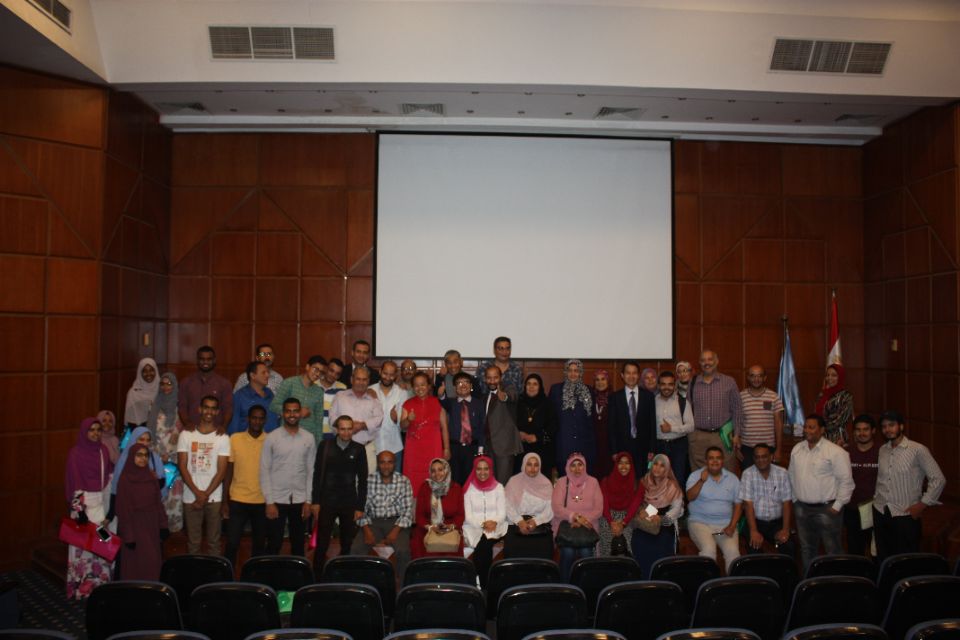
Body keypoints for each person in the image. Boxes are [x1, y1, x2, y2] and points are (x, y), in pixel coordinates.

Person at [872, 410, 946, 560]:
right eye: (884, 426)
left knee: (906, 561)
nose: (887, 429)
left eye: (891, 425)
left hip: (905, 515)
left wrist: (922, 504)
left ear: (901, 426)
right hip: (880, 511)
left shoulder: (918, 449)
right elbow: (881, 480)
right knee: (883, 559)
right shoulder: (882, 450)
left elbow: (938, 479)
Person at [788, 414, 854, 569]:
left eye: (811, 427)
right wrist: (795, 498)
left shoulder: (835, 452)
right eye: (805, 427)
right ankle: (810, 580)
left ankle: (835, 581)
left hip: (827, 509)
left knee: (833, 551)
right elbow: (791, 475)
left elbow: (846, 481)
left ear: (822, 430)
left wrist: (837, 505)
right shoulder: (797, 449)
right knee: (807, 549)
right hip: (802, 508)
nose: (807, 430)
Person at [311, 415, 368, 574]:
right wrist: (315, 501)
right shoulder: (325, 446)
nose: (346, 432)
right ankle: (316, 576)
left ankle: (343, 575)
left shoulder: (359, 449)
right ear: (336, 429)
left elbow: (363, 480)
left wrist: (360, 506)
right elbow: (317, 475)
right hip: (326, 501)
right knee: (322, 543)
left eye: (349, 429)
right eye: (343, 429)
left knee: (347, 543)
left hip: (349, 502)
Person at [64, 417, 114, 600]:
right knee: (82, 549)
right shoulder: (75, 453)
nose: (95, 433)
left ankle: (100, 586)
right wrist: (80, 511)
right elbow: (74, 482)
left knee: (103, 544)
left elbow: (108, 478)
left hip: (100, 506)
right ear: (84, 432)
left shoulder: (103, 450)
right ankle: (81, 589)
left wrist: (109, 511)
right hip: (82, 508)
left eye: (98, 430)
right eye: (91, 430)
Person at [260, 398, 316, 557]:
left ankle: (297, 573)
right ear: (283, 413)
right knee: (274, 544)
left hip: (300, 499)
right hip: (277, 499)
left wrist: (308, 501)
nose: (292, 415)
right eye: (288, 411)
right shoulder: (272, 438)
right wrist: (269, 502)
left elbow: (311, 470)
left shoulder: (309, 438)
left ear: (300, 413)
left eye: (295, 411)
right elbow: (264, 470)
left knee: (298, 545)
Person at [177, 395, 231, 555]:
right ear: (200, 409)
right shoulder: (186, 435)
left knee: (214, 543)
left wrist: (204, 495)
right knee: (193, 543)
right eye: (206, 407)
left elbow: (222, 471)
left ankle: (214, 572)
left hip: (214, 497)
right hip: (190, 496)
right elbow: (182, 466)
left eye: (213, 408)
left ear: (217, 412)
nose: (209, 411)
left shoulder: (223, 438)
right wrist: (197, 493)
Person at [223, 405, 268, 568]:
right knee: (232, 543)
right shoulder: (235, 439)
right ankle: (228, 577)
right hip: (237, 499)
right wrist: (225, 501)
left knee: (259, 546)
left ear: (265, 420)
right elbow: (228, 471)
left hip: (262, 501)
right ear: (248, 419)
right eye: (254, 418)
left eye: (260, 418)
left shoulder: (270, 441)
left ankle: (255, 578)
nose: (257, 421)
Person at [116, 443, 168, 581]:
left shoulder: (151, 476)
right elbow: (123, 510)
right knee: (136, 564)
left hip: (152, 525)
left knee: (153, 562)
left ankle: (152, 591)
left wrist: (163, 525)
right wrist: (129, 536)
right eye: (139, 455)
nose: (143, 458)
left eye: (145, 455)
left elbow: (158, 503)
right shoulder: (125, 479)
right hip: (135, 526)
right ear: (131, 457)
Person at [686, 446, 742, 571]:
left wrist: (732, 526)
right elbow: (689, 497)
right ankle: (708, 582)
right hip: (700, 523)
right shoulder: (695, 476)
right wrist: (701, 481)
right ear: (706, 461)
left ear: (723, 460)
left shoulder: (733, 479)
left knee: (733, 553)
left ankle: (732, 583)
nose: (715, 461)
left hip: (725, 525)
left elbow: (739, 505)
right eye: (711, 458)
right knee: (708, 550)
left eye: (718, 458)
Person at [357, 451, 414, 575]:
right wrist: (366, 531)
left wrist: (395, 531)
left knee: (403, 551)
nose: (386, 466)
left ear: (395, 464)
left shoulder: (403, 481)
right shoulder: (369, 480)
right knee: (356, 549)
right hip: (373, 522)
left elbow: (407, 511)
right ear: (378, 464)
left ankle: (402, 583)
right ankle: (361, 582)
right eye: (382, 462)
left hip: (397, 522)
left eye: (390, 462)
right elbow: (361, 509)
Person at [688, 350, 742, 473]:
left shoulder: (729, 382)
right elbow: (687, 409)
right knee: (699, 475)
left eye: (710, 359)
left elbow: (737, 409)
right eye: (703, 360)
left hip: (723, 437)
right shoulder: (693, 383)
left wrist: (737, 434)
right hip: (698, 438)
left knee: (726, 473)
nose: (706, 363)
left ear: (717, 361)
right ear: (699, 363)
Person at [631, 453, 684, 576]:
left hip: (665, 524)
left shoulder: (672, 485)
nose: (657, 468)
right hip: (646, 523)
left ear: (667, 469)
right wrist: (645, 512)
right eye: (655, 464)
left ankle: (661, 582)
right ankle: (644, 581)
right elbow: (638, 503)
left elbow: (677, 510)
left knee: (662, 546)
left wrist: (660, 519)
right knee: (639, 542)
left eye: (662, 466)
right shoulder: (644, 481)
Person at [738, 443, 795, 557]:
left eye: (764, 456)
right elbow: (748, 505)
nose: (761, 460)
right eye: (757, 457)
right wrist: (753, 531)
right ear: (753, 458)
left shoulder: (782, 473)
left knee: (789, 545)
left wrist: (785, 529)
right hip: (755, 522)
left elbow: (787, 503)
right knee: (754, 547)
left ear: (771, 457)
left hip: (776, 523)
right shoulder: (747, 474)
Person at [552, 452, 602, 580]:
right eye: (573, 465)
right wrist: (574, 517)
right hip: (566, 528)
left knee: (586, 552)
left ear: (585, 466)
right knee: (568, 552)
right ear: (568, 467)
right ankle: (565, 587)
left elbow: (598, 509)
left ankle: (585, 586)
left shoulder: (593, 482)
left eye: (580, 464)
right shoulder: (561, 482)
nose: (577, 468)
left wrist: (582, 520)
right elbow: (556, 507)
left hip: (588, 527)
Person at [401, 371, 451, 490]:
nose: (420, 388)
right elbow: (402, 426)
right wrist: (408, 419)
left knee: (436, 478)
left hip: (433, 448)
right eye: (416, 385)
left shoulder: (437, 403)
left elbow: (444, 428)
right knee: (413, 480)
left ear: (429, 386)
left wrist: (447, 448)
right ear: (412, 387)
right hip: (414, 450)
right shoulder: (408, 404)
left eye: (423, 384)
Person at [462, 456, 507, 588]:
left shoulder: (499, 487)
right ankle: (485, 584)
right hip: (474, 527)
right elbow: (468, 516)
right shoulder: (469, 489)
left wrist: (494, 522)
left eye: (486, 469)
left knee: (484, 543)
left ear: (490, 470)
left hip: (496, 526)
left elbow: (502, 513)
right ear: (474, 470)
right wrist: (483, 524)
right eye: (479, 469)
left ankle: (479, 582)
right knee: (484, 543)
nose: (482, 472)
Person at [147, 372, 184, 532]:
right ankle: (157, 529)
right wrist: (157, 455)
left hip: (174, 460)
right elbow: (149, 433)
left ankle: (173, 529)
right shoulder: (153, 406)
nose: (166, 387)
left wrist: (168, 454)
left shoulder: (180, 408)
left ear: (175, 386)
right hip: (156, 459)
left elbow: (180, 433)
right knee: (157, 495)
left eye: (169, 384)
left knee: (173, 496)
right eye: (163, 384)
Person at [331, 366, 384, 472]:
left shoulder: (373, 399)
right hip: (342, 448)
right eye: (358, 379)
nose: (361, 382)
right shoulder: (340, 396)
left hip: (367, 449)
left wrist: (362, 425)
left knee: (366, 480)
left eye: (364, 379)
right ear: (352, 379)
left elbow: (379, 419)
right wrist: (348, 427)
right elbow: (332, 418)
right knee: (343, 479)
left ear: (368, 381)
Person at [609, 361, 657, 478]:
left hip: (643, 448)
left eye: (634, 373)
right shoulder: (614, 397)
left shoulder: (648, 396)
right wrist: (614, 451)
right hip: (622, 448)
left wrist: (652, 449)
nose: (631, 376)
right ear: (622, 375)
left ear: (639, 375)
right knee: (624, 479)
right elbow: (611, 427)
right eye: (628, 373)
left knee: (642, 479)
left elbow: (652, 424)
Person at [503, 452, 555, 559]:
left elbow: (551, 508)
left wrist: (536, 521)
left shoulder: (546, 484)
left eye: (536, 465)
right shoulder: (514, 481)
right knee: (512, 550)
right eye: (529, 464)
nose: (532, 468)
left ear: (539, 467)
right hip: (516, 525)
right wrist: (519, 520)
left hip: (540, 526)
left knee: (544, 551)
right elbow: (506, 505)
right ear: (524, 465)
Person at [412, 457, 465, 558]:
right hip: (428, 528)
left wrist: (450, 527)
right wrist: (430, 527)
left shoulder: (456, 488)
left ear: (446, 470)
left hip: (450, 528)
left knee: (450, 553)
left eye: (440, 470)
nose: (437, 474)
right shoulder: (425, 487)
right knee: (421, 546)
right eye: (433, 471)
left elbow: (460, 515)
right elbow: (419, 515)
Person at [551, 360, 597, 475]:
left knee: (582, 478)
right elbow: (551, 417)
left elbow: (591, 420)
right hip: (563, 443)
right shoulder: (556, 390)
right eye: (570, 370)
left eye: (576, 371)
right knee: (564, 478)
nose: (573, 374)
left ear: (580, 373)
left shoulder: (589, 391)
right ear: (565, 372)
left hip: (584, 444)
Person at [482, 365, 523, 485]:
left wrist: (504, 397)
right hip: (488, 447)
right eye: (489, 378)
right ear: (485, 379)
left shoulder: (508, 389)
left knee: (503, 485)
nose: (492, 381)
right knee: (490, 484)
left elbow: (512, 396)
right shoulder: (485, 396)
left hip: (504, 448)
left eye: (495, 377)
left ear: (501, 378)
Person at [442, 371, 485, 485]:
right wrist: (441, 394)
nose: (463, 385)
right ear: (454, 388)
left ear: (471, 386)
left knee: (471, 479)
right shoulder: (451, 403)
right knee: (455, 479)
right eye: (459, 383)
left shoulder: (479, 404)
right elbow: (442, 401)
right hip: (455, 447)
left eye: (466, 382)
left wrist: (480, 449)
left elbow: (482, 427)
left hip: (472, 447)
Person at [845, 414, 879, 557]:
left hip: (876, 509)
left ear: (873, 431)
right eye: (858, 430)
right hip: (852, 508)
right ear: (854, 432)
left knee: (876, 551)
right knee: (855, 551)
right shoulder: (846, 452)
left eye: (866, 429)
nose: (862, 433)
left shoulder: (882, 452)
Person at [271, 355, 326, 444]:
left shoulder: (319, 392)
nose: (317, 374)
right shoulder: (289, 383)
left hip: (309, 439)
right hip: (287, 436)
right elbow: (274, 406)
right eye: (315, 369)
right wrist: (297, 412)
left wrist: (319, 444)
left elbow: (319, 421)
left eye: (321, 372)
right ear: (307, 367)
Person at [739, 365, 785, 468]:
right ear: (748, 377)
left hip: (768, 448)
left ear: (765, 378)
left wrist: (779, 449)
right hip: (747, 448)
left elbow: (778, 423)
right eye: (753, 376)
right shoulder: (740, 397)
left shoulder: (773, 396)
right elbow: (736, 422)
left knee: (768, 476)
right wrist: (737, 449)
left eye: (759, 376)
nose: (756, 379)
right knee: (748, 476)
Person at [654, 370, 694, 488]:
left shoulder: (683, 402)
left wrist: (672, 428)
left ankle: (678, 500)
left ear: (674, 385)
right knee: (658, 479)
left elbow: (691, 426)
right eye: (663, 384)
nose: (666, 387)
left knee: (678, 479)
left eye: (670, 384)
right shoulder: (652, 402)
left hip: (678, 446)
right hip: (658, 446)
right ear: (658, 385)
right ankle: (659, 501)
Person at [179, 346, 233, 431]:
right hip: (192, 431)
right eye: (202, 359)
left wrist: (224, 426)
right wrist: (187, 423)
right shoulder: (186, 382)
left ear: (214, 361)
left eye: (209, 359)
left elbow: (228, 409)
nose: (205, 362)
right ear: (197, 360)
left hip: (215, 432)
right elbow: (182, 407)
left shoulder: (224, 384)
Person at [598, 452, 642, 557]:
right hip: (608, 517)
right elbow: (604, 503)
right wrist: (611, 522)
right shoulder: (605, 482)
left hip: (627, 518)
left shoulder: (638, 484)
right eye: (620, 463)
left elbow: (634, 506)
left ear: (631, 465)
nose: (623, 466)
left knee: (626, 547)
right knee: (606, 548)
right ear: (616, 465)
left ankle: (625, 567)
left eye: (627, 463)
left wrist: (623, 523)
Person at [516, 373, 557, 478]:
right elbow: (511, 423)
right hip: (521, 449)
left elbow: (553, 426)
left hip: (542, 449)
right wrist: (519, 434)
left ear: (540, 387)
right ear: (525, 386)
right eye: (528, 384)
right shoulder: (518, 402)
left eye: (535, 384)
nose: (531, 387)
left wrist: (537, 437)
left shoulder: (548, 404)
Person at [372, 360, 410, 472]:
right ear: (380, 371)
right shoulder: (370, 390)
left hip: (395, 447)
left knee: (395, 481)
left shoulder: (401, 393)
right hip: (373, 447)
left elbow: (403, 425)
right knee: (372, 481)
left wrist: (396, 419)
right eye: (385, 373)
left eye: (391, 374)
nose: (388, 377)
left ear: (396, 375)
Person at [228, 361, 278, 435]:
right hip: (248, 440)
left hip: (271, 439)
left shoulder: (270, 393)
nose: (267, 375)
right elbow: (234, 422)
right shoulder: (240, 395)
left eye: (268, 372)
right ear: (253, 375)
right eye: (263, 373)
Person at [814, 363, 854, 447]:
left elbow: (840, 420)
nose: (829, 378)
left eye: (834, 375)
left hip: (837, 439)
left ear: (840, 377)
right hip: (820, 437)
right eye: (827, 375)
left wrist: (820, 428)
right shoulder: (822, 394)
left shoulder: (845, 396)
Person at [124, 357, 158, 433]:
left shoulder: (161, 390)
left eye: (151, 370)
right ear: (139, 373)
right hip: (139, 434)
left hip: (160, 433)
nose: (148, 374)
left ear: (156, 371)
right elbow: (130, 421)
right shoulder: (133, 393)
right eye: (144, 371)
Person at [318, 358, 347, 440]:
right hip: (314, 434)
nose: (333, 375)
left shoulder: (343, 389)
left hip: (333, 436)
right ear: (326, 368)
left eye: (337, 374)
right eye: (331, 370)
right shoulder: (314, 385)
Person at [592, 370, 613, 478]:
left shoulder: (614, 398)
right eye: (597, 380)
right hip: (594, 446)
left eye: (603, 379)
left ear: (608, 381)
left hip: (610, 446)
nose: (600, 382)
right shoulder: (590, 399)